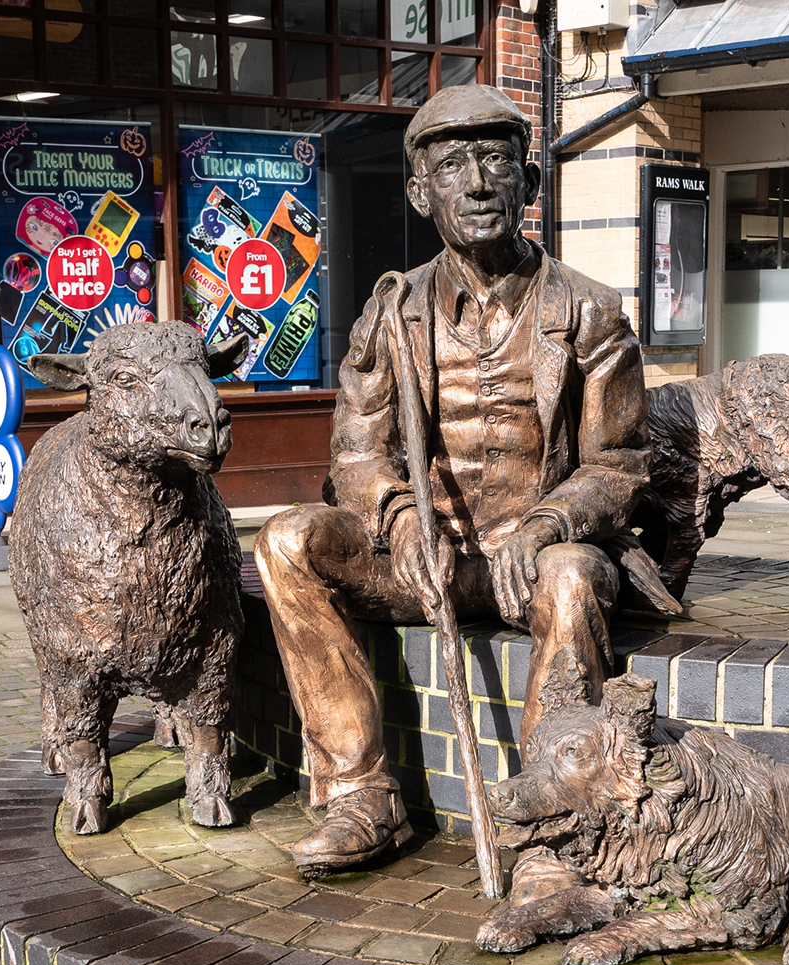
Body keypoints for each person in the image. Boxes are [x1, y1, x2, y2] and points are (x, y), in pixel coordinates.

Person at [253, 83, 648, 874]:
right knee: (287, 540)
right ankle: (363, 795)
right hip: (425, 559)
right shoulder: (392, 310)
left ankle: (548, 828)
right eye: (453, 166)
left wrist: (547, 524)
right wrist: (399, 517)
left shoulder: (591, 313)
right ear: (418, 190)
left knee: (572, 579)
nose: (476, 183)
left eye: (496, 162)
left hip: (536, 561)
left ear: (529, 185)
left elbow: (622, 464)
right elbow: (356, 456)